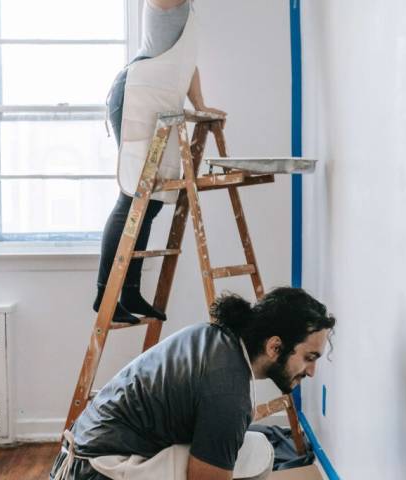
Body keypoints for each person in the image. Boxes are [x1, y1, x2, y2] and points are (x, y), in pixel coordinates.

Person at [50, 287, 336, 480]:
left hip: (82, 459)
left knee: (248, 446)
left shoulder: (215, 338)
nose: (311, 371)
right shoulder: (228, 390)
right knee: (256, 452)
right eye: (309, 357)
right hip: (95, 471)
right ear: (275, 347)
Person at [94, 0, 226, 324]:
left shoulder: (187, 12)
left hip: (157, 102)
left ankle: (130, 291)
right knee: (133, 196)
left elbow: (187, 64)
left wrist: (201, 104)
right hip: (136, 98)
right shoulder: (166, 4)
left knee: (150, 203)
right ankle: (104, 295)